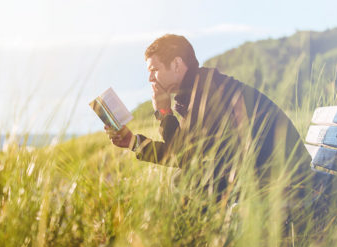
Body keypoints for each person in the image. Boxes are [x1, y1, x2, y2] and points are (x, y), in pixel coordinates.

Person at [105, 34, 313, 195]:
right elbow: (185, 153)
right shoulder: (198, 89)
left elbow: (183, 156)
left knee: (185, 180)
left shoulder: (207, 93)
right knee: (185, 178)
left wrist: (164, 112)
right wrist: (132, 141)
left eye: (154, 69)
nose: (150, 78)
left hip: (286, 181)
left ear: (176, 64)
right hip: (271, 173)